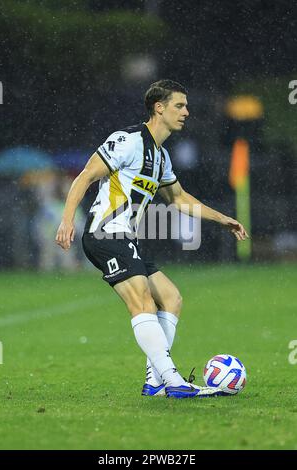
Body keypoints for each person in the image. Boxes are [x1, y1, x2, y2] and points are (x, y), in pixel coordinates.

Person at [55, 80, 249, 399]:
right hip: (105, 233)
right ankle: (173, 382)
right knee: (142, 302)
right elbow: (86, 174)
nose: (186, 112)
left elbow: (179, 198)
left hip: (126, 237)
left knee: (171, 298)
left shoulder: (161, 157)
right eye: (179, 106)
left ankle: (155, 381)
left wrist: (222, 219)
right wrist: (66, 220)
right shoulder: (127, 140)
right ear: (159, 107)